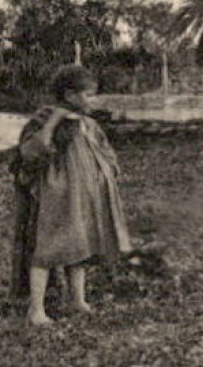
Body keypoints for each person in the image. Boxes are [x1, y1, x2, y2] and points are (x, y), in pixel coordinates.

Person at [9, 65, 132, 325]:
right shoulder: (45, 118)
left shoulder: (89, 124)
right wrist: (55, 121)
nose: (93, 100)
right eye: (88, 95)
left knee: (79, 246)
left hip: (82, 196)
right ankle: (36, 309)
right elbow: (32, 150)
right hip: (57, 195)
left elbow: (105, 152)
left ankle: (77, 299)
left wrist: (108, 171)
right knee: (47, 247)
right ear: (69, 95)